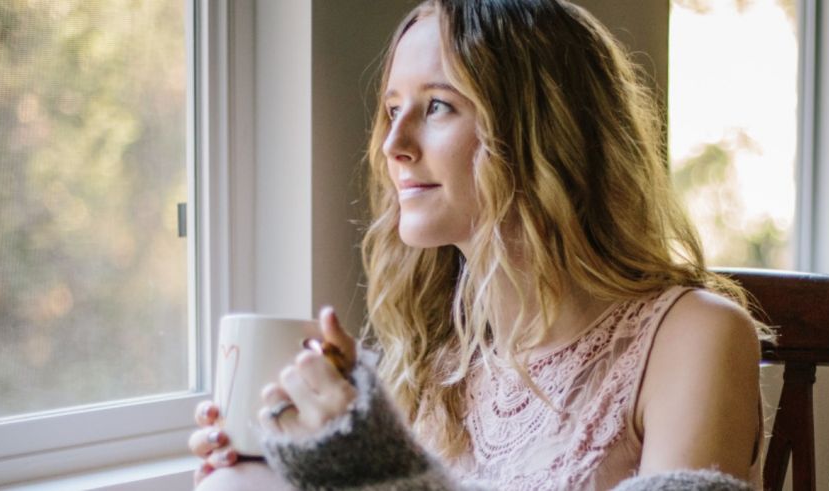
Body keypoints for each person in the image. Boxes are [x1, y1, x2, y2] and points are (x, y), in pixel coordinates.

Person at [188, 1, 764, 489]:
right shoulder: (425, 363)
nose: (393, 144)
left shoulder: (695, 338)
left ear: (543, 129)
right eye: (391, 110)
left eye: (437, 105)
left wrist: (376, 467)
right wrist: (285, 471)